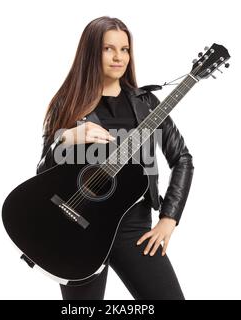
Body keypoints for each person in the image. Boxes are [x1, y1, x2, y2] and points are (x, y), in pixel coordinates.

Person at [35, 16, 194, 300]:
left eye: (124, 49)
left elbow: (182, 157)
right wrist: (66, 137)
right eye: (108, 49)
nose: (118, 57)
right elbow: (42, 176)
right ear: (91, 52)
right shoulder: (68, 105)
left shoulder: (146, 104)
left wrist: (170, 218)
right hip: (79, 225)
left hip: (134, 228)